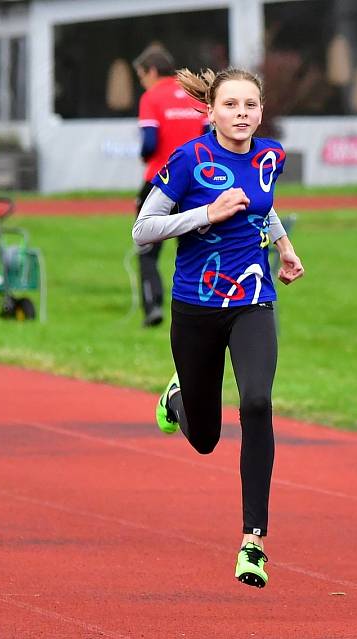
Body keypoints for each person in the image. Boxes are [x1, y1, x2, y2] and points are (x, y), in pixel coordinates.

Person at [132, 66, 304, 588]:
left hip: (254, 300)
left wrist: (284, 246)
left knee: (256, 401)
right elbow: (143, 230)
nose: (242, 114)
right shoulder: (189, 159)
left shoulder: (270, 155)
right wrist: (206, 212)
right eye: (231, 105)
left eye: (250, 105)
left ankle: (253, 542)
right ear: (210, 112)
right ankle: (178, 400)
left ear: (260, 110)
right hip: (195, 307)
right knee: (205, 438)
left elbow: (262, 207)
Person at [133, 44, 208, 327]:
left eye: (142, 76)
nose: (143, 82)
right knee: (194, 247)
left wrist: (145, 156)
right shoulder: (194, 94)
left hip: (160, 181)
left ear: (151, 71)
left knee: (148, 247)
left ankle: (152, 307)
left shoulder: (151, 97)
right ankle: (202, 304)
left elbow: (149, 142)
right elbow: (207, 135)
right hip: (196, 183)